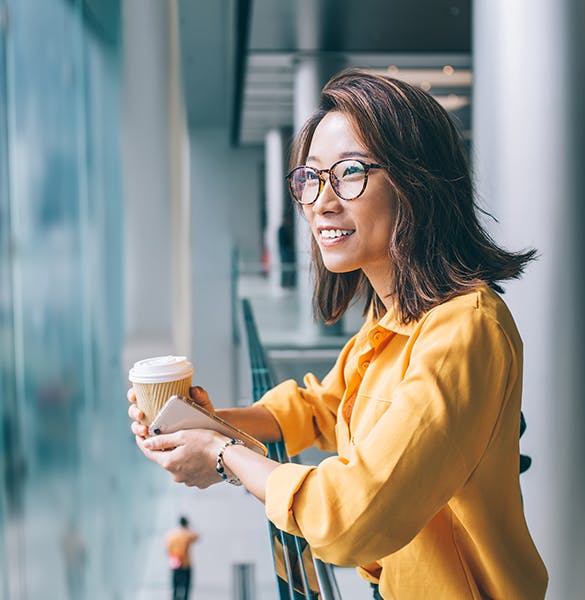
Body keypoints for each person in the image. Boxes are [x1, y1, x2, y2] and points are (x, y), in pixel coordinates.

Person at [128, 69, 548, 599]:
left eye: (349, 173)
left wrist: (220, 455)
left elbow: (351, 513)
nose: (321, 202)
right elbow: (324, 408)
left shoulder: (464, 329)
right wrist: (202, 422)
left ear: (416, 182)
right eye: (311, 178)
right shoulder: (395, 314)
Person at [165, 516, 199, 600]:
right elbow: (197, 537)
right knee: (186, 588)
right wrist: (190, 527)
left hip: (175, 563)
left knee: (175, 587)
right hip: (185, 564)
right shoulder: (186, 535)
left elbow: (167, 548)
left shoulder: (172, 535)